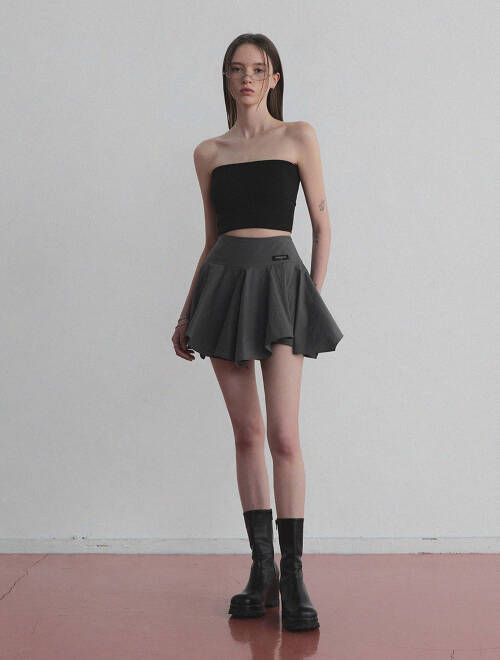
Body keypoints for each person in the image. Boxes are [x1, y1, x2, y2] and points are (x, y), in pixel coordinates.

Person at [171, 33, 343, 632]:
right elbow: (210, 238)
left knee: (284, 436)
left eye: (259, 69)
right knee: (247, 434)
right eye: (237, 69)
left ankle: (294, 575)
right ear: (226, 78)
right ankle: (262, 569)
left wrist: (308, 295)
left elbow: (322, 222)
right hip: (223, 286)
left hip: (280, 285)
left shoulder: (298, 136)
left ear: (274, 78)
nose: (247, 78)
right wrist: (187, 312)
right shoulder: (208, 153)